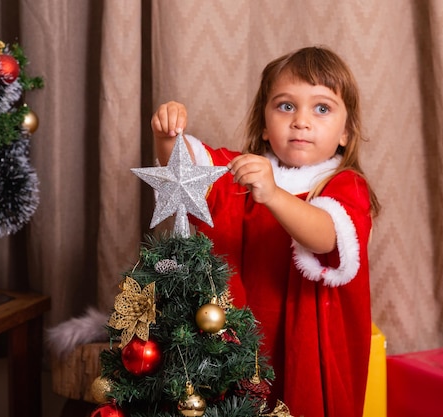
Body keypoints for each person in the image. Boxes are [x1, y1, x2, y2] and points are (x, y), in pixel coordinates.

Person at [151, 46, 380, 417]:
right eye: (286, 106)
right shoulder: (245, 171)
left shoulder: (344, 185)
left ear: (346, 132)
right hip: (245, 344)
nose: (301, 121)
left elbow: (325, 238)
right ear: (263, 123)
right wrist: (167, 134)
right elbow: (187, 174)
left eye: (321, 108)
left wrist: (273, 195)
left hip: (310, 346)